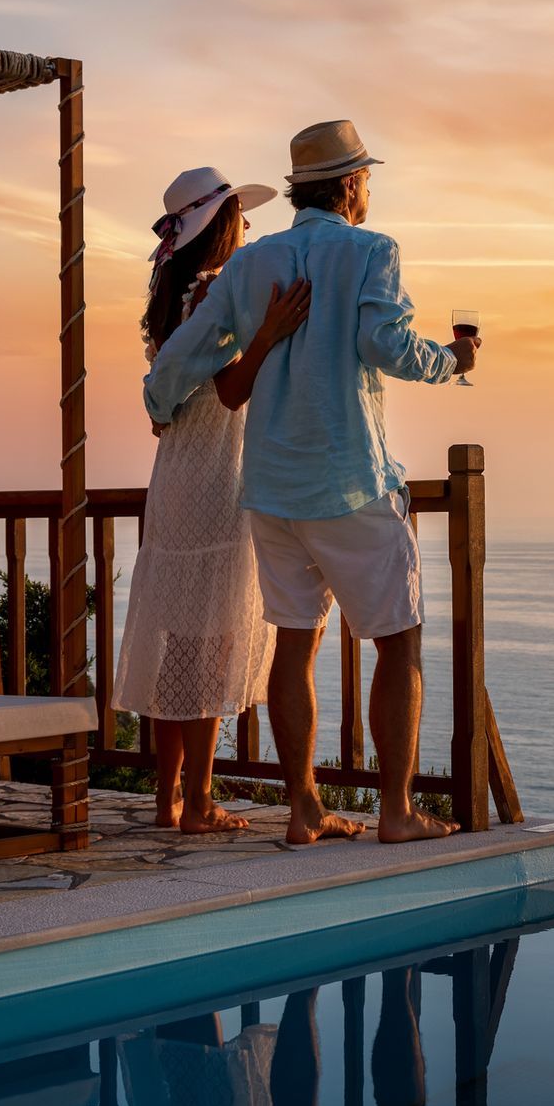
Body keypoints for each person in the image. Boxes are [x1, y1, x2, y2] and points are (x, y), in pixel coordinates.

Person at [144, 121, 478, 845]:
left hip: (270, 488)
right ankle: (396, 811)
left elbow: (183, 356)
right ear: (352, 184)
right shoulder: (370, 252)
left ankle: (303, 809)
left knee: (295, 643)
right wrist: (453, 360)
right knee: (398, 642)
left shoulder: (251, 264)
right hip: (350, 478)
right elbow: (384, 345)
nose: (369, 192)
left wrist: (158, 404)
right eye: (367, 180)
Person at [116, 166, 311, 833]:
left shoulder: (171, 292)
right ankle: (198, 801)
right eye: (241, 218)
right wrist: (268, 336)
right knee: (210, 642)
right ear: (222, 225)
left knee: (176, 638)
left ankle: (169, 796)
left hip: (174, 474)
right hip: (216, 474)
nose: (249, 229)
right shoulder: (216, 295)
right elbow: (229, 392)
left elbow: (166, 396)